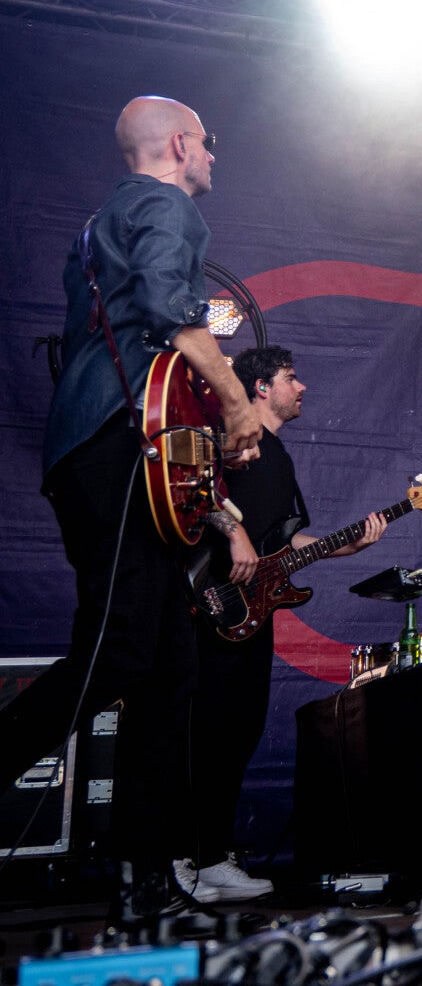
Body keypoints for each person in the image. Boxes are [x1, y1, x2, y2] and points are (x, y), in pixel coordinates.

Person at [0, 97, 263, 922]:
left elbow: (135, 342)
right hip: (114, 449)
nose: (212, 158)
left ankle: (144, 879)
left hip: (101, 452)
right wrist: (235, 402)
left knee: (168, 666)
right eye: (207, 143)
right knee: (118, 655)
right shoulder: (165, 204)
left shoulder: (98, 225)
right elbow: (166, 308)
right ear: (180, 144)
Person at [180, 345, 388, 902]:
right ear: (261, 388)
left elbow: (286, 541)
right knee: (204, 731)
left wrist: (349, 545)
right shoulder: (232, 437)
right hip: (211, 600)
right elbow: (196, 492)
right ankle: (176, 856)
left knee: (239, 730)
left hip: (254, 613)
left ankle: (210, 856)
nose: (303, 388)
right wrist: (234, 534)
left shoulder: (279, 457)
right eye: (291, 378)